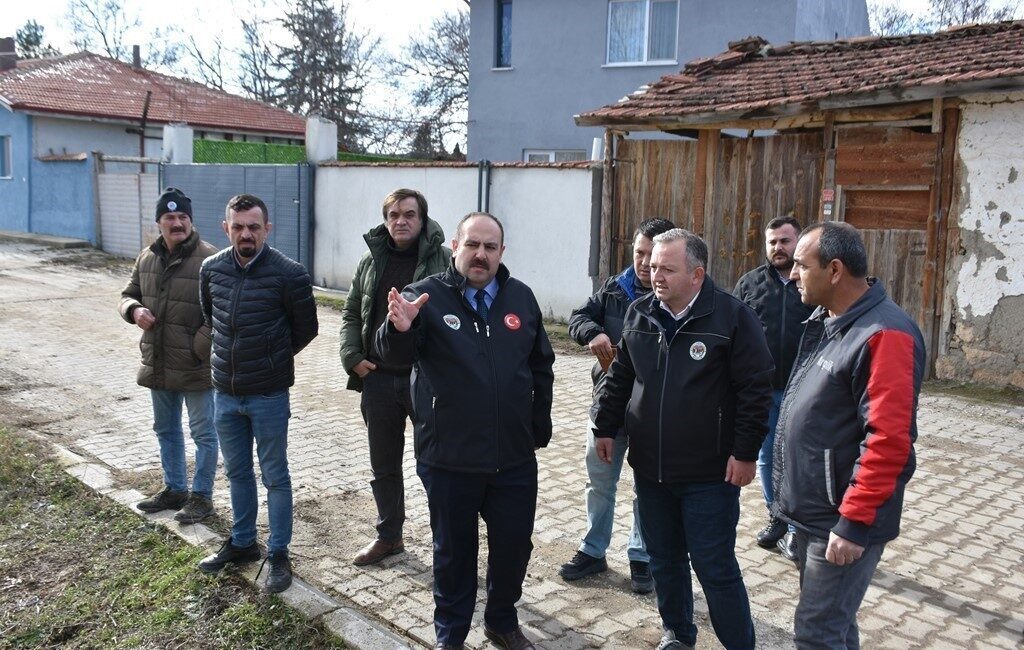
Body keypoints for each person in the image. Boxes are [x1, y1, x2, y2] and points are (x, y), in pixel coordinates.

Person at [377, 212, 554, 650]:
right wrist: (399, 328)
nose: (480, 255)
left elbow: (541, 365)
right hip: (450, 456)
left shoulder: (521, 298)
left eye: (490, 247)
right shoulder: (425, 296)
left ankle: (501, 620)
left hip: (512, 457)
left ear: (501, 253)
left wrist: (538, 424)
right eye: (472, 244)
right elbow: (393, 352)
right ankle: (451, 635)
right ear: (454, 246)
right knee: (454, 555)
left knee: (513, 548)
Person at [593, 228, 773, 650]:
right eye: (653, 266)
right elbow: (620, 376)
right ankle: (677, 633)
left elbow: (756, 389)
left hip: (708, 474)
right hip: (652, 470)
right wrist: (605, 426)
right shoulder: (641, 313)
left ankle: (739, 644)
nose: (655, 275)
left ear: (697, 274)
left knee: (714, 566)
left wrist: (746, 453)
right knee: (664, 560)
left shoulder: (731, 317)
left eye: (667, 269)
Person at [775, 222, 924, 649]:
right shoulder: (833, 318)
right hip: (816, 512)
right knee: (836, 628)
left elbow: (888, 440)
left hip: (839, 519)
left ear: (835, 270)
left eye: (802, 266)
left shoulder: (885, 334)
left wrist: (854, 522)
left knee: (817, 635)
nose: (792, 274)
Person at [196, 194, 319, 594]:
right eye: (238, 226)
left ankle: (279, 553)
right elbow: (211, 317)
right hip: (225, 394)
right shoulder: (211, 269)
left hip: (268, 394)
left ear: (267, 229)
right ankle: (244, 542)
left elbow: (306, 329)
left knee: (275, 475)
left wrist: (269, 357)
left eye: (253, 226)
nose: (245, 233)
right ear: (225, 227)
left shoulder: (290, 273)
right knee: (236, 472)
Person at [559, 217, 674, 592]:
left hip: (652, 414)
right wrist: (593, 333)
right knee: (600, 483)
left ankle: (641, 556)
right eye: (639, 253)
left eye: (651, 256)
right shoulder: (614, 288)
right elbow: (578, 317)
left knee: (647, 488)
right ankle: (594, 550)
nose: (643, 263)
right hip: (607, 407)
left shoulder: (674, 298)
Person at [341, 188, 450, 566]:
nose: (400, 221)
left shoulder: (445, 260)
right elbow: (352, 312)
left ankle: (446, 545)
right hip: (379, 380)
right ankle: (389, 536)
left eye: (408, 214)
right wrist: (352, 356)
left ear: (422, 220)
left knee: (435, 466)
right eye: (393, 215)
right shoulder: (371, 261)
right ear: (385, 219)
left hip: (426, 381)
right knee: (383, 465)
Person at [119, 187, 219, 524]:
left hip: (195, 366)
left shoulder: (210, 258)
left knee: (204, 433)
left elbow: (221, 314)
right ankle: (174, 488)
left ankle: (202, 497)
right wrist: (133, 310)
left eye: (182, 217)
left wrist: (198, 348)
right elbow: (127, 294)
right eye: (169, 217)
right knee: (166, 429)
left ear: (190, 220)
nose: (177, 223)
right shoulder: (146, 257)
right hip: (158, 360)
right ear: (159, 222)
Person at [733, 215, 814, 561]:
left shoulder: (811, 282)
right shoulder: (750, 284)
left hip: (803, 390)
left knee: (796, 459)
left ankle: (798, 529)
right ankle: (777, 517)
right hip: (761, 390)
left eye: (785, 241)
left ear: (798, 242)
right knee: (766, 456)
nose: (778, 248)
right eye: (772, 242)